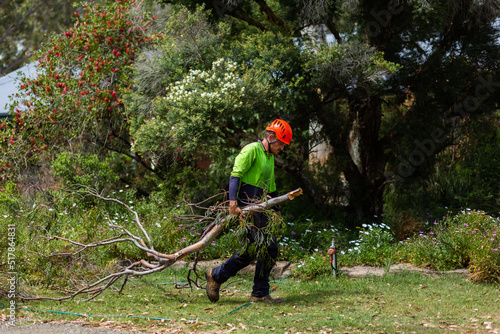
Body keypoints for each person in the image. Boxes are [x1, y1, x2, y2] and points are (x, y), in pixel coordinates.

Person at [205, 119, 293, 304]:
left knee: (263, 248)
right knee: (261, 248)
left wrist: (276, 210)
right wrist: (233, 203)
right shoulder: (252, 150)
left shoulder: (269, 158)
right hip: (247, 207)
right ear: (270, 137)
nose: (282, 149)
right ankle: (221, 277)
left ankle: (251, 289)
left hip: (261, 208)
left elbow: (272, 186)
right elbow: (236, 174)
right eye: (281, 144)